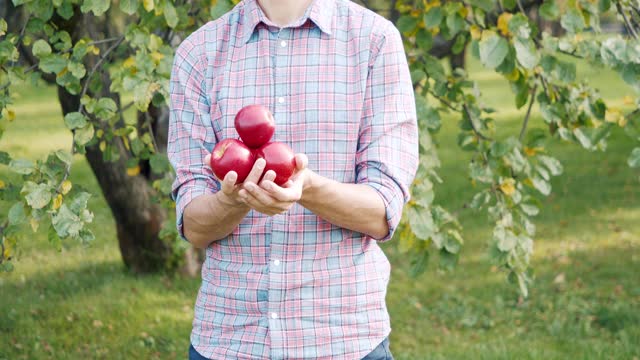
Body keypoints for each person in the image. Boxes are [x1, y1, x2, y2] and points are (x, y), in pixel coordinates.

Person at [167, 0, 418, 358]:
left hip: (344, 339)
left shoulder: (373, 41)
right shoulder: (199, 53)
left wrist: (308, 188)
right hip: (230, 340)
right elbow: (194, 226)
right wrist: (230, 201)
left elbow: (382, 212)